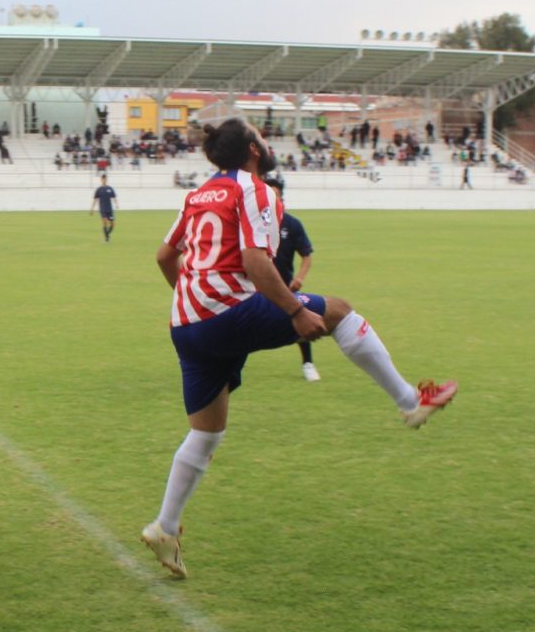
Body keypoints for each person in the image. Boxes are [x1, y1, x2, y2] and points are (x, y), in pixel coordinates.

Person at [140, 119, 457, 579]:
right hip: (227, 312)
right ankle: (410, 402)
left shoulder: (198, 193)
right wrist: (293, 311)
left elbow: (165, 257)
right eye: (262, 137)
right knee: (341, 312)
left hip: (186, 324)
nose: (267, 144)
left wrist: (194, 302)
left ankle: (165, 528)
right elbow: (255, 262)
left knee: (206, 433)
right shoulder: (256, 189)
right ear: (253, 148)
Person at [264, 174, 319, 381]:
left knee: (299, 319)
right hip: (254, 286)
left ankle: (308, 364)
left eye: (274, 195)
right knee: (236, 323)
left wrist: (300, 279)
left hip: (285, 287)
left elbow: (307, 256)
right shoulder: (254, 223)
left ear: (281, 198)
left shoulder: (293, 224)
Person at [90, 173, 118, 242]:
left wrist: (116, 204)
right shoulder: (99, 189)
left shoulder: (110, 188)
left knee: (112, 224)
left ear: (106, 179)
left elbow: (114, 197)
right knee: (105, 221)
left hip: (109, 209)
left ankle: (107, 235)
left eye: (105, 179)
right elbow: (95, 200)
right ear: (101, 180)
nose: (104, 180)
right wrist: (92, 209)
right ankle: (107, 238)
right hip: (103, 208)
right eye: (103, 179)